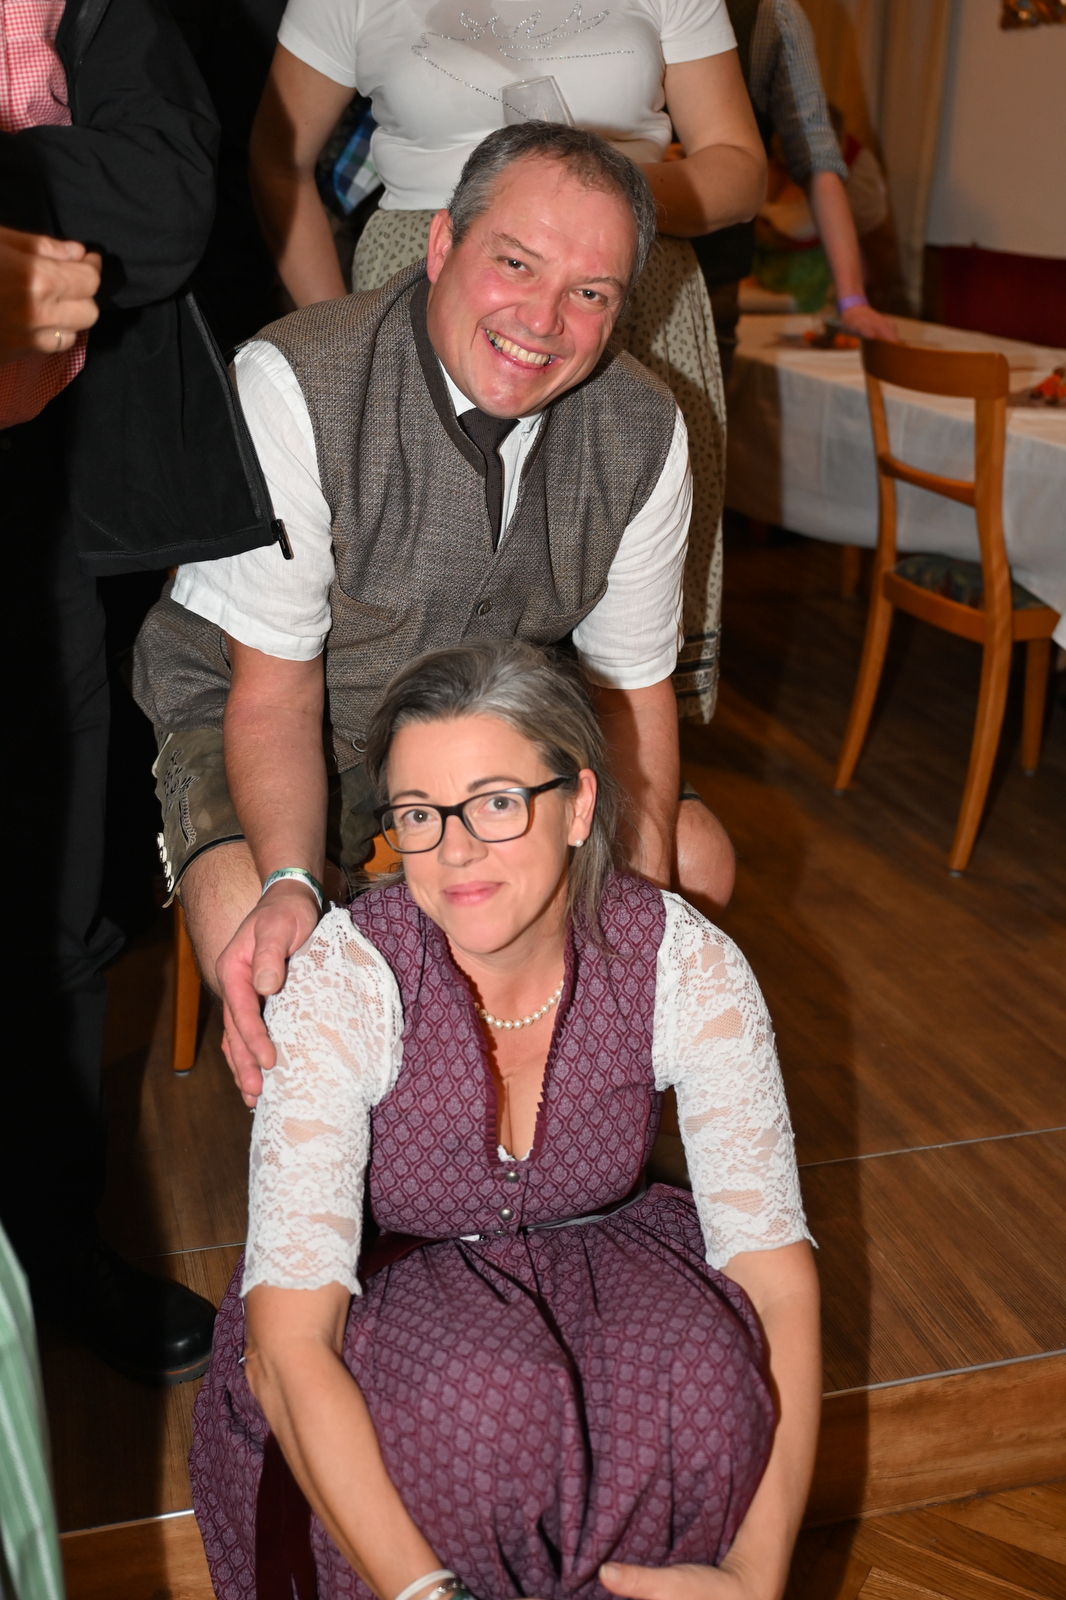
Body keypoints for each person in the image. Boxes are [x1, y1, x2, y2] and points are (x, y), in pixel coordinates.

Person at [190, 640, 821, 1600]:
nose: (455, 850)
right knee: (480, 1404)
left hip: (602, 1258)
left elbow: (777, 1282)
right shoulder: (349, 983)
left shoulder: (680, 962)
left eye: (495, 803)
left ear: (578, 805)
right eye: (419, 814)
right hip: (390, 1288)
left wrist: (756, 1572)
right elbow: (288, 1346)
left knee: (703, 1374)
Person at [134, 123, 739, 1101]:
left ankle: (538, 1136)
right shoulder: (295, 383)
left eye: (590, 293)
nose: (543, 320)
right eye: (515, 263)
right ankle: (352, 1154)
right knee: (285, 961)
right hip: (272, 699)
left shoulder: (646, 429)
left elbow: (632, 693)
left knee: (695, 864)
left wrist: (640, 922)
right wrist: (293, 883)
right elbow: (274, 698)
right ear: (443, 243)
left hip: (484, 711)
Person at [0, 0, 284, 1386]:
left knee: (56, 910)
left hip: (36, 511)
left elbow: (167, 204)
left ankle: (53, 1251)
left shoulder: (96, 4)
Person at [247, 0, 767, 724]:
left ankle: (592, 775)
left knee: (622, 620)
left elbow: (740, 167)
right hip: (441, 284)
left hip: (627, 285)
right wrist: (345, 346)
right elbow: (279, 158)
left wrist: (586, 201)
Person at [693, 0, 897, 376]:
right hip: (600, 265)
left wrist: (852, 299)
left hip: (710, 279)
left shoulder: (771, 15)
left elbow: (816, 158)